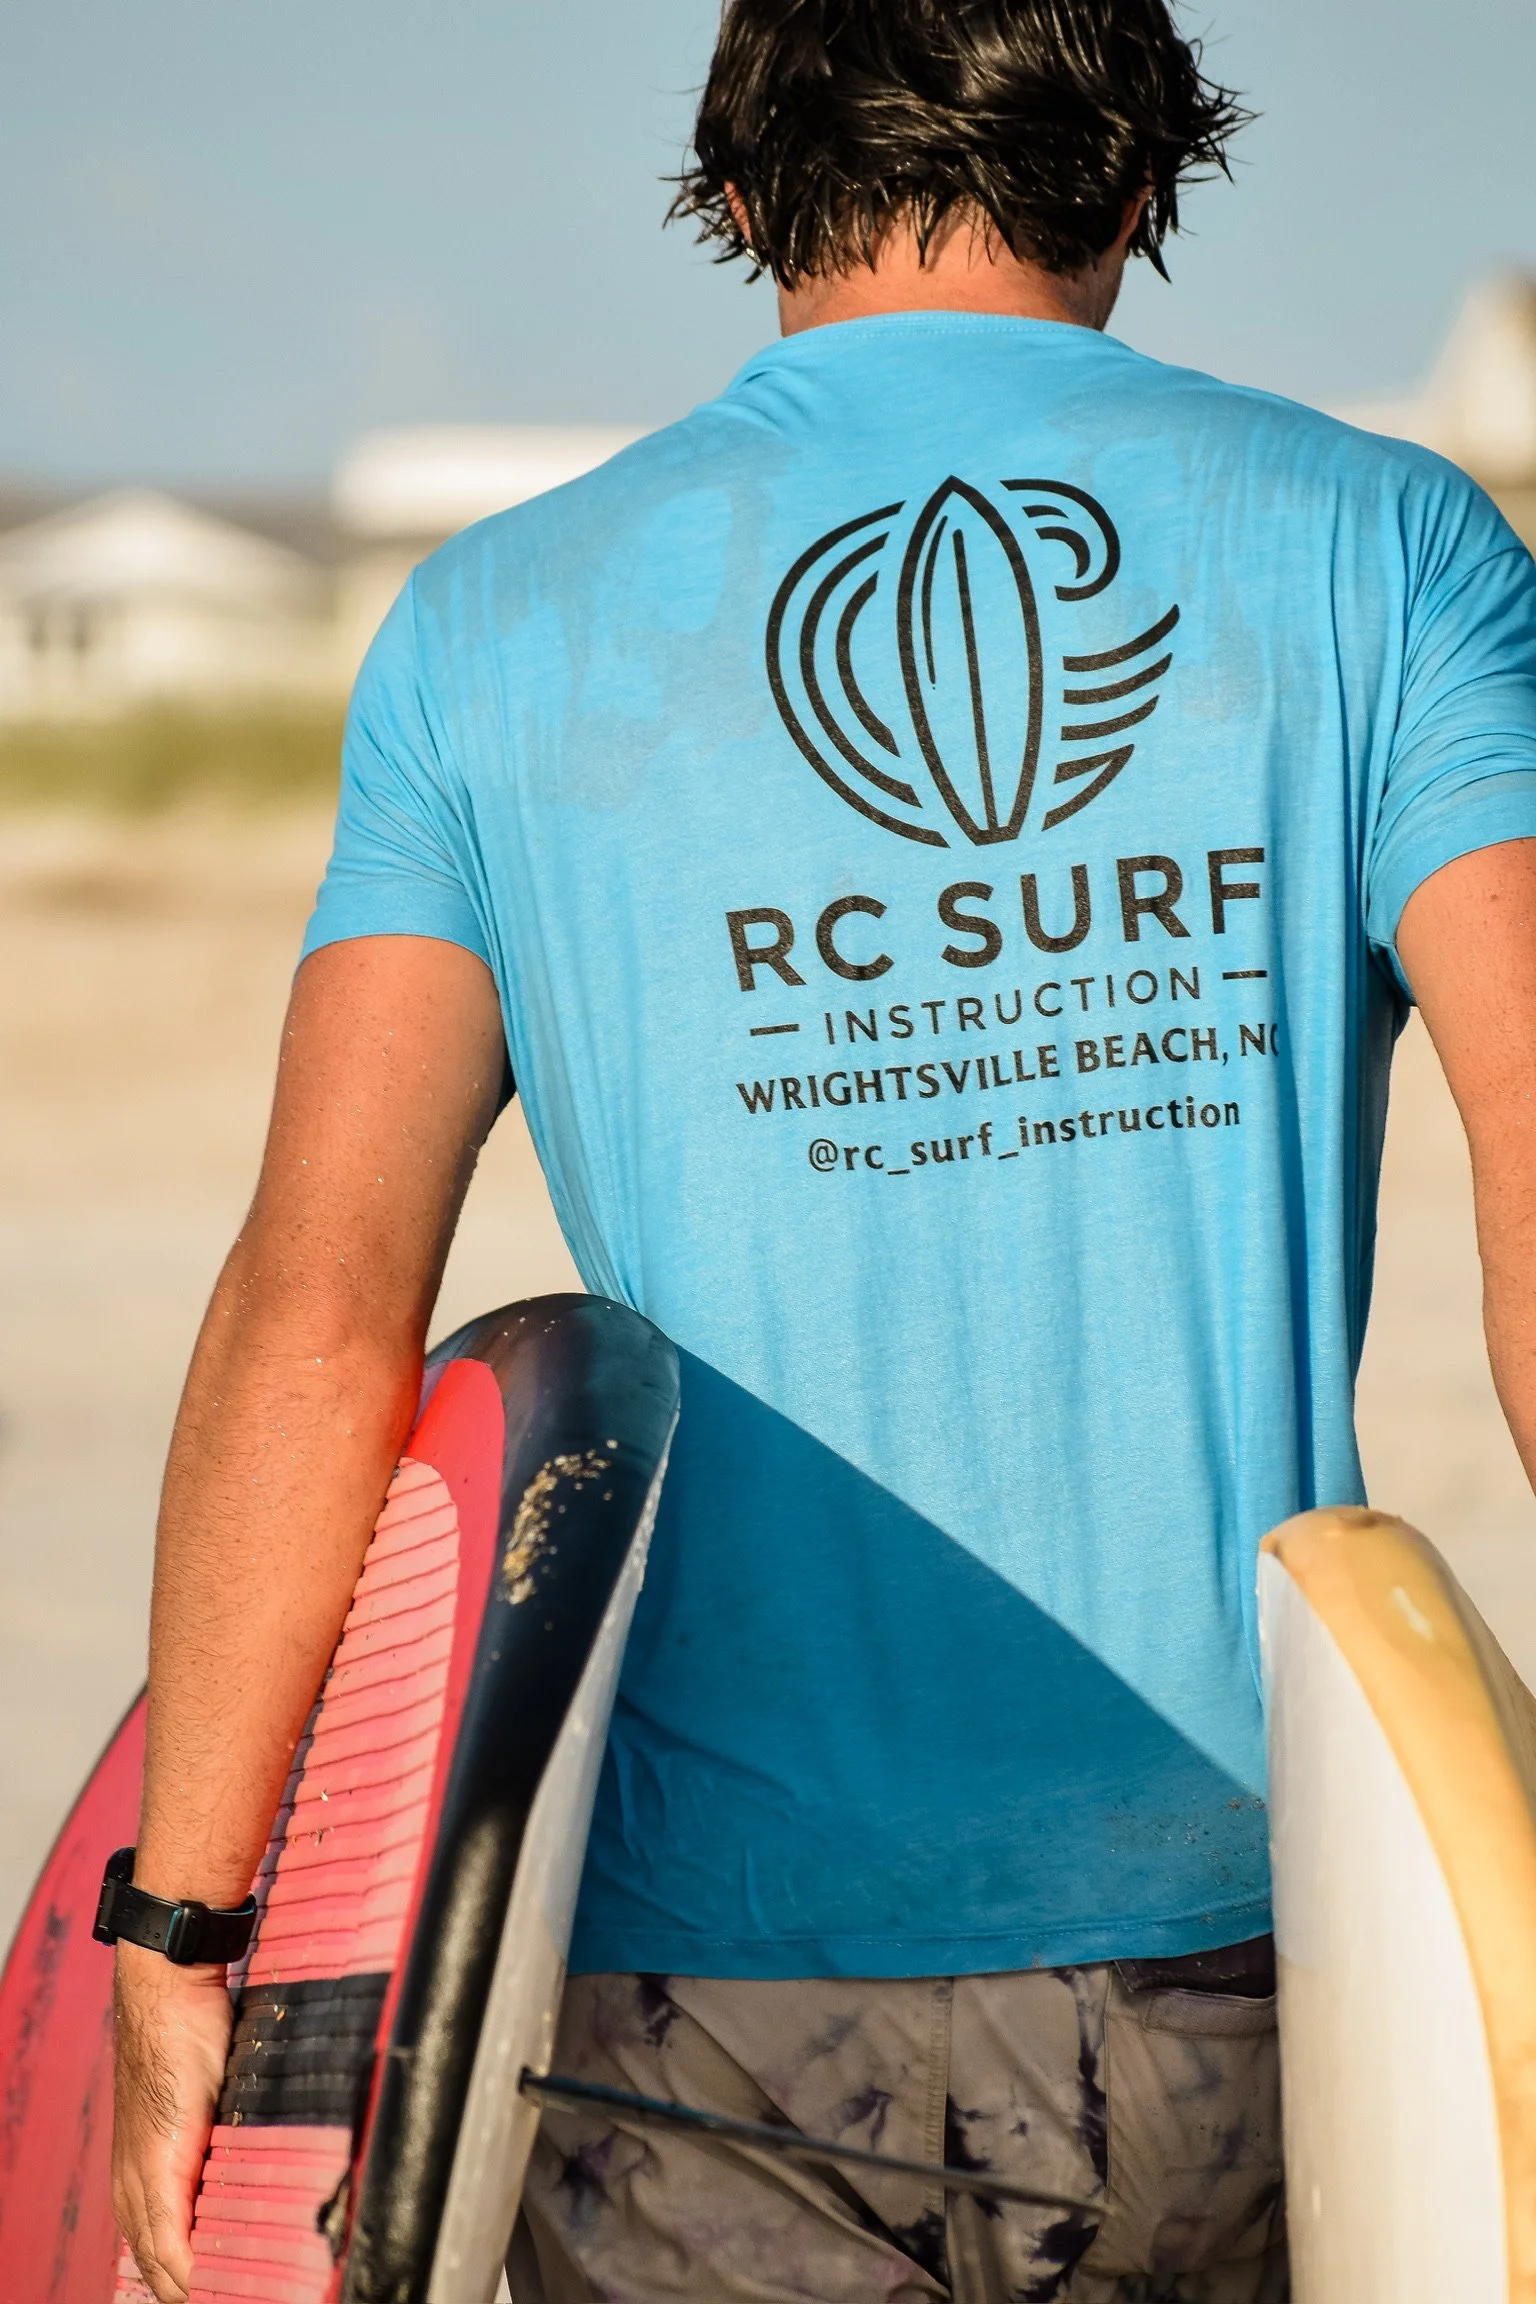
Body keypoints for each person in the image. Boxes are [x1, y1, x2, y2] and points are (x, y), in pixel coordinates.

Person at [112, 1, 1536, 2298]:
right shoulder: (1388, 552)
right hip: (1257, 1979)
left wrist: (187, 1921)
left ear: (742, 193)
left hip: (700, 2030)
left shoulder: (492, 632)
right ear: (1145, 186)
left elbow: (324, 1306)